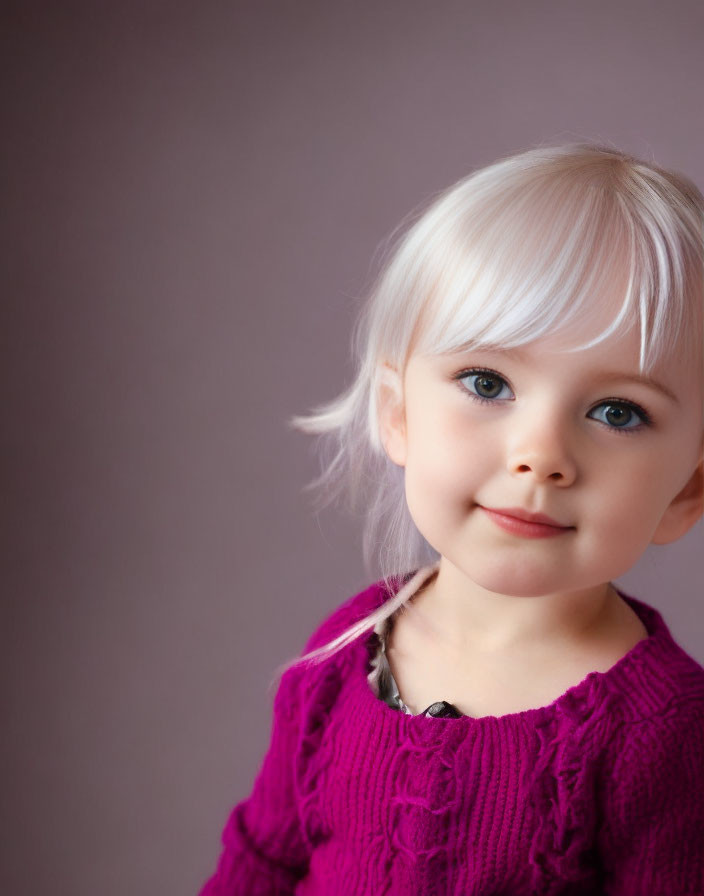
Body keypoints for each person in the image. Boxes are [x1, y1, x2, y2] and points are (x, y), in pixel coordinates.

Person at [198, 143, 704, 895]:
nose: (540, 455)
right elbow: (262, 866)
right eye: (487, 381)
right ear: (397, 413)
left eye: (616, 411)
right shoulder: (343, 657)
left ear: (687, 491)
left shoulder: (664, 732)